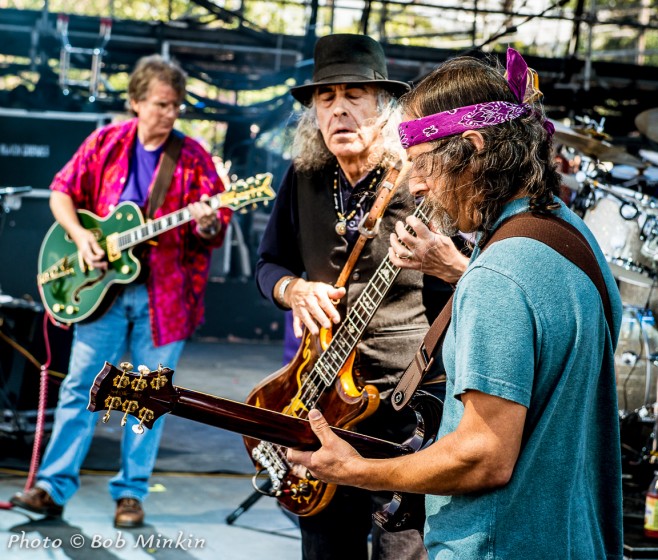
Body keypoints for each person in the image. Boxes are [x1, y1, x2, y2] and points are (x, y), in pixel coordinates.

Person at [288, 49, 624, 559]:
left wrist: (355, 470)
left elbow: (483, 457)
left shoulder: (496, 276)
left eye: (423, 165)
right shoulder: (574, 239)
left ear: (471, 147)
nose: (416, 184)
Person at [256, 33, 468, 560]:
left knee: (403, 547)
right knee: (325, 544)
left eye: (355, 95)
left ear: (386, 107)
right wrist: (292, 288)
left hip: (404, 402)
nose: (339, 110)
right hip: (322, 396)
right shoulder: (304, 176)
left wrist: (455, 265)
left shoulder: (420, 180)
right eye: (326, 98)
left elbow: (474, 280)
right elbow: (268, 264)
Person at [10, 54, 231, 528]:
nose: (170, 114)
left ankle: (131, 494)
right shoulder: (106, 142)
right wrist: (83, 236)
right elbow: (60, 191)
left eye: (176, 106)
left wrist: (211, 220)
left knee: (148, 396)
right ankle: (51, 486)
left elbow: (214, 226)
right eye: (161, 104)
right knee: (80, 389)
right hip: (102, 292)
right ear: (135, 102)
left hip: (165, 298)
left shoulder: (192, 156)